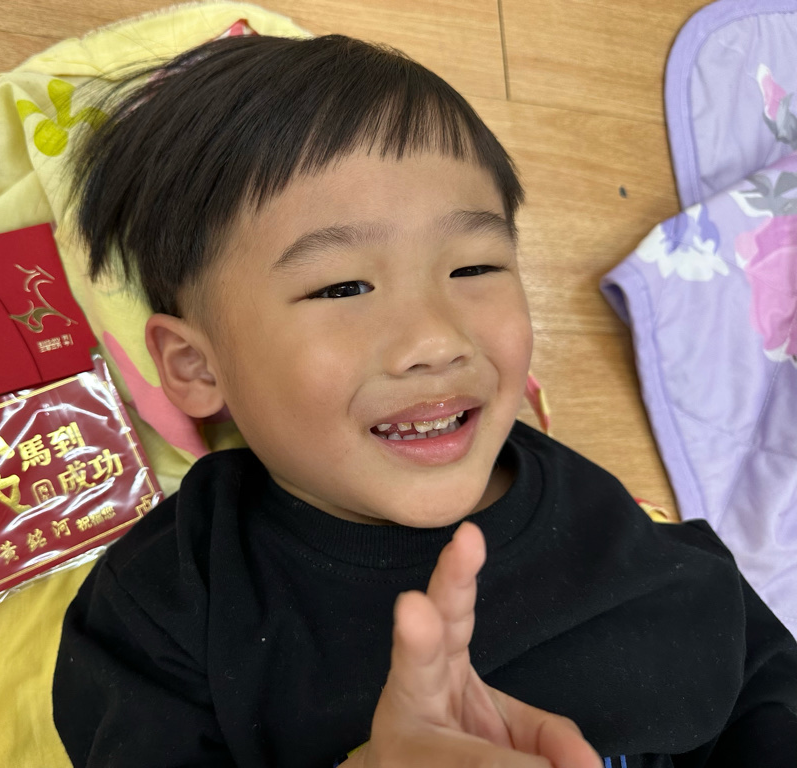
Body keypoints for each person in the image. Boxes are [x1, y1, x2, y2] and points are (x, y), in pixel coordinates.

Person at [51, 34, 797, 767]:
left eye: (474, 268)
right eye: (343, 287)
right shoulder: (164, 609)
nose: (437, 340)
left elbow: (756, 671)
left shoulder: (613, 530)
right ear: (197, 365)